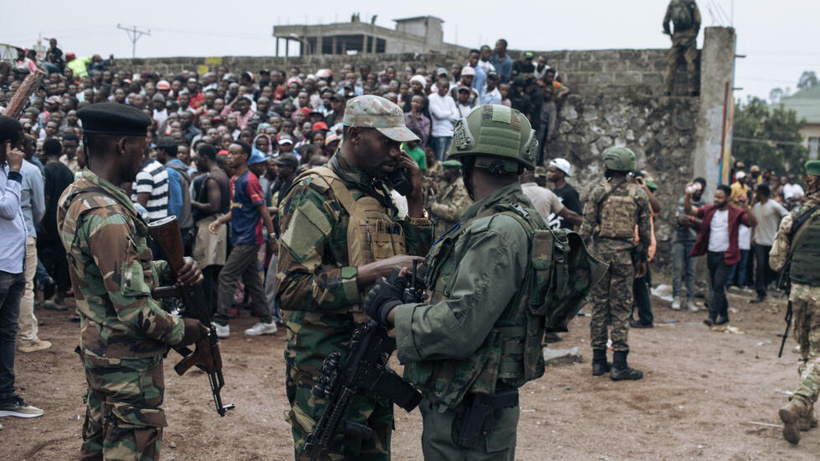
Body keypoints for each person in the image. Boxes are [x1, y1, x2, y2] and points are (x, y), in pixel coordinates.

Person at [363, 104, 546, 459]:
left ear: (468, 164)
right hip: (473, 401)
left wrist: (391, 312)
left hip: (470, 411)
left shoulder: (498, 231)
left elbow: (457, 327)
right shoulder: (510, 219)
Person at [276, 95, 432, 460]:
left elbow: (417, 263)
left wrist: (417, 201)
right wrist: (367, 274)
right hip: (326, 366)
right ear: (355, 135)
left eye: (400, 144)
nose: (397, 152)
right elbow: (289, 287)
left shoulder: (379, 193)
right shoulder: (314, 192)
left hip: (371, 356)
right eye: (387, 142)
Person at [56, 104, 208, 459]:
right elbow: (135, 309)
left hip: (103, 352)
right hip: (127, 364)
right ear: (123, 145)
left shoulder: (78, 195)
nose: (145, 156)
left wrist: (169, 268)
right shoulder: (107, 214)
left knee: (97, 446)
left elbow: (108, 277)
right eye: (143, 147)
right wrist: (184, 329)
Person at [580, 146, 651, 381]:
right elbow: (646, 230)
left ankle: (598, 362)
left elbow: (587, 227)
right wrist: (642, 259)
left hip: (600, 257)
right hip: (624, 258)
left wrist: (582, 257)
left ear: (609, 166)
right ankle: (620, 364)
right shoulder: (638, 194)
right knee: (621, 309)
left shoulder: (599, 191)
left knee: (599, 307)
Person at [770, 160, 820, 445]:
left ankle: (807, 415)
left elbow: (775, 262)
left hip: (798, 292)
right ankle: (799, 403)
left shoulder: (793, 217)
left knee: (806, 352)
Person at [208, 140, 277, 338]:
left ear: (244, 156)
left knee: (226, 276)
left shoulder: (250, 180)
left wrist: (272, 237)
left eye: (233, 153)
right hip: (240, 236)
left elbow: (263, 211)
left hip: (249, 238)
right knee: (252, 281)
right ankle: (267, 321)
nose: (229, 156)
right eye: (228, 153)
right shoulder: (234, 180)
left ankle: (221, 322)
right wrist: (220, 221)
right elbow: (237, 210)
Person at [0, 115, 44, 419]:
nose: (22, 152)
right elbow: (8, 208)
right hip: (1, 264)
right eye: (17, 145)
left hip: (13, 263)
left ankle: (4, 397)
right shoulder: (11, 172)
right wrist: (15, 173)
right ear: (6, 145)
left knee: (6, 333)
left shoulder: (5, 169)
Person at [684, 184, 756, 326]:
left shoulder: (736, 212)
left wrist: (747, 207)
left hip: (727, 254)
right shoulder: (710, 210)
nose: (716, 199)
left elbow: (753, 223)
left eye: (719, 197)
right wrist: (687, 195)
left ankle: (712, 315)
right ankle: (724, 315)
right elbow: (689, 211)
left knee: (718, 284)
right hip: (712, 253)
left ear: (728, 198)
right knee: (717, 286)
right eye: (715, 197)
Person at [190, 143, 230, 320]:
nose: (196, 160)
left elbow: (213, 205)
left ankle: (207, 311)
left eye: (198, 157)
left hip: (210, 225)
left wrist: (192, 203)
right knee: (213, 270)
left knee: (205, 268)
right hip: (219, 224)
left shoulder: (212, 179)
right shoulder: (222, 174)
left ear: (204, 158)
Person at [672, 178, 706, 311]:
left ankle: (690, 300)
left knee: (691, 271)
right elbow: (680, 220)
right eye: (696, 187)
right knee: (677, 269)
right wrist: (695, 221)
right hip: (679, 238)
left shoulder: (703, 204)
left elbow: (704, 224)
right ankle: (676, 297)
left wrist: (692, 219)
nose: (699, 190)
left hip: (693, 240)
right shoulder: (683, 200)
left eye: (701, 188)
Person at [750, 183, 788, 303]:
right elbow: (752, 221)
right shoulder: (756, 207)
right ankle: (760, 290)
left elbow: (787, 215)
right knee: (760, 265)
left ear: (761, 192)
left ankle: (766, 287)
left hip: (771, 240)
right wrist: (752, 236)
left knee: (767, 266)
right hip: (759, 240)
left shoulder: (773, 205)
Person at [663, 0, 701, 96]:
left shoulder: (673, 3)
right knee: (691, 62)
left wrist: (671, 35)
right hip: (689, 36)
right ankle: (692, 90)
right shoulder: (691, 2)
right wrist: (694, 33)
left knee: (671, 63)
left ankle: (667, 90)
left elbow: (665, 22)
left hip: (677, 37)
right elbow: (698, 20)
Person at [427, 160, 471, 237]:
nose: (443, 172)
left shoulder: (461, 187)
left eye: (445, 170)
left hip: (452, 235)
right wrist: (431, 191)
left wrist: (434, 206)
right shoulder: (447, 184)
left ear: (453, 171)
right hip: (442, 233)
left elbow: (456, 213)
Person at [546, 158, 583, 230]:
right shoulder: (552, 192)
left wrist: (574, 238)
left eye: (552, 171)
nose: (548, 173)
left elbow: (577, 219)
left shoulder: (570, 192)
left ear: (561, 173)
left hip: (565, 236)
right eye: (548, 171)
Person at [428, 78, 459, 161]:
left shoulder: (450, 99)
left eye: (447, 88)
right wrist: (450, 113)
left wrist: (445, 115)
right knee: (439, 159)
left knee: (447, 158)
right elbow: (439, 114)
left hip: (450, 133)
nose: (445, 89)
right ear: (438, 86)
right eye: (443, 87)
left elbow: (456, 116)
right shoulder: (431, 98)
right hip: (438, 133)